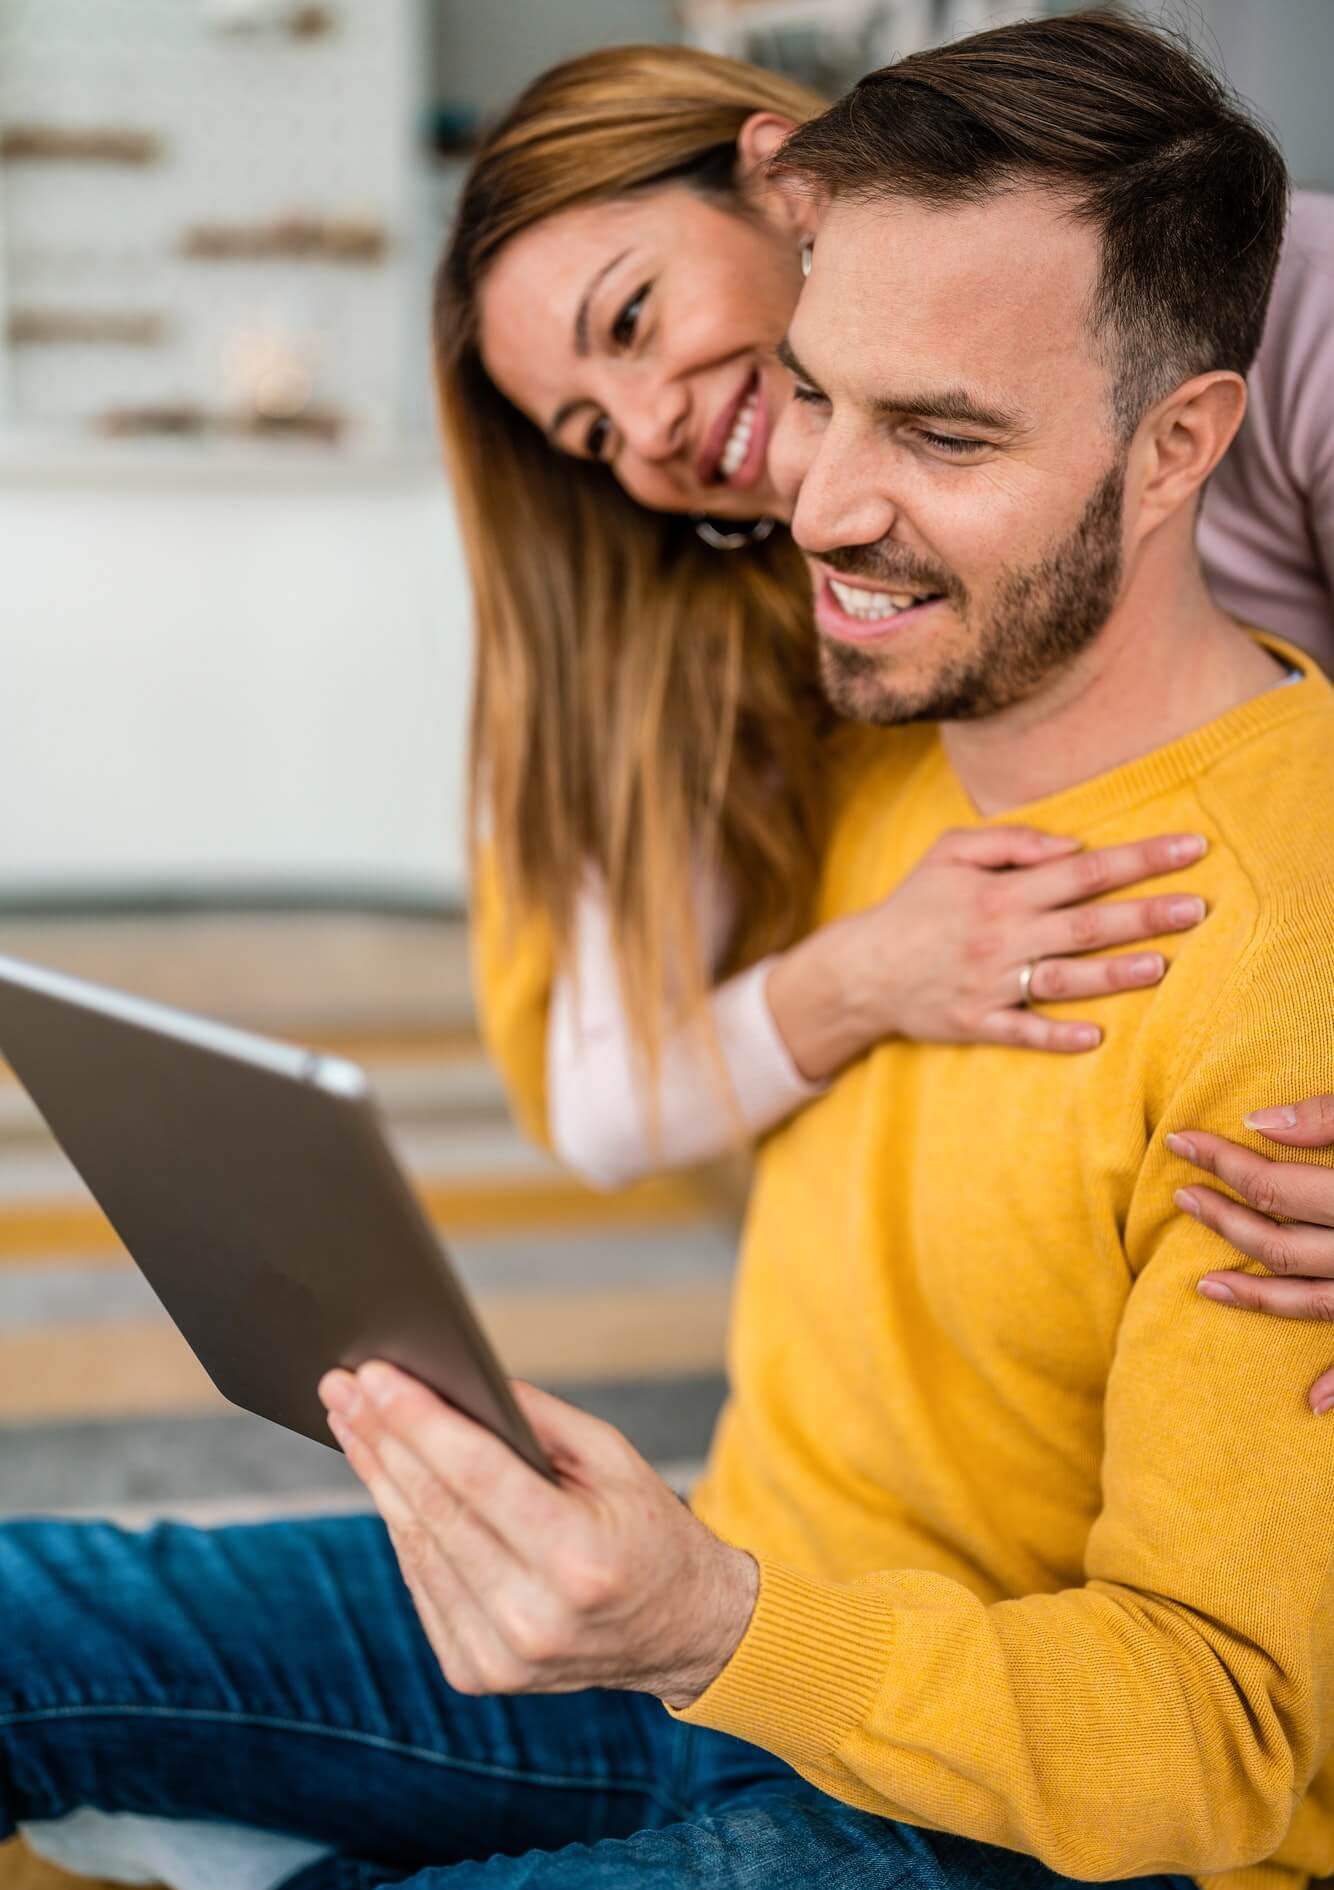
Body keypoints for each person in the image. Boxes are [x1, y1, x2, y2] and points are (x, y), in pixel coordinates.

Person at [4, 13, 1330, 1890]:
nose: (807, 501)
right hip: (753, 1612)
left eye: (941, 431)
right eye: (811, 395)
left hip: (1090, 1839)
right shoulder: (854, 737)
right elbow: (615, 1070)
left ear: (1176, 445)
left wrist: (718, 1623)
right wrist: (710, 1611)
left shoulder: (1274, 946)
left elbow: (1225, 1737)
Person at [440, 44, 1333, 1194]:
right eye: (591, 437)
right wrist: (864, 975)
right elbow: (602, 1101)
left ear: (782, 185)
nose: (645, 428)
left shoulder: (1291, 307)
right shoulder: (717, 624)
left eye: (629, 321)